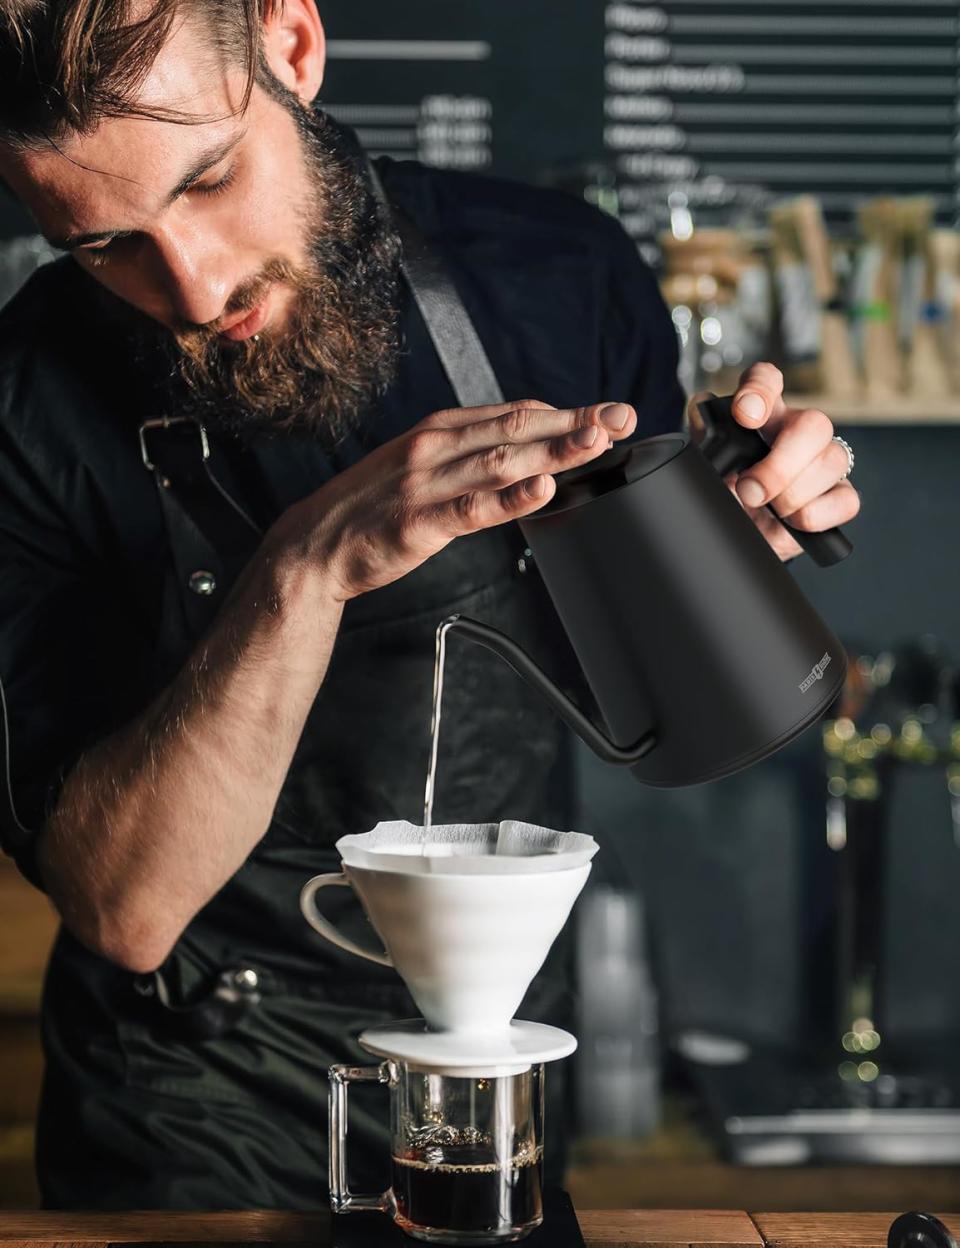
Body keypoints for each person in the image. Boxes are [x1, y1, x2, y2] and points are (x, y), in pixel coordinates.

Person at [0, 0, 860, 1210]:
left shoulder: (560, 276)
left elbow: (642, 688)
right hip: (195, 1101)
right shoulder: (27, 404)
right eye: (102, 247)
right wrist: (308, 565)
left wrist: (722, 539)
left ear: (292, 46)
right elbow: (125, 908)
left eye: (209, 179)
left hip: (489, 1062)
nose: (189, 288)